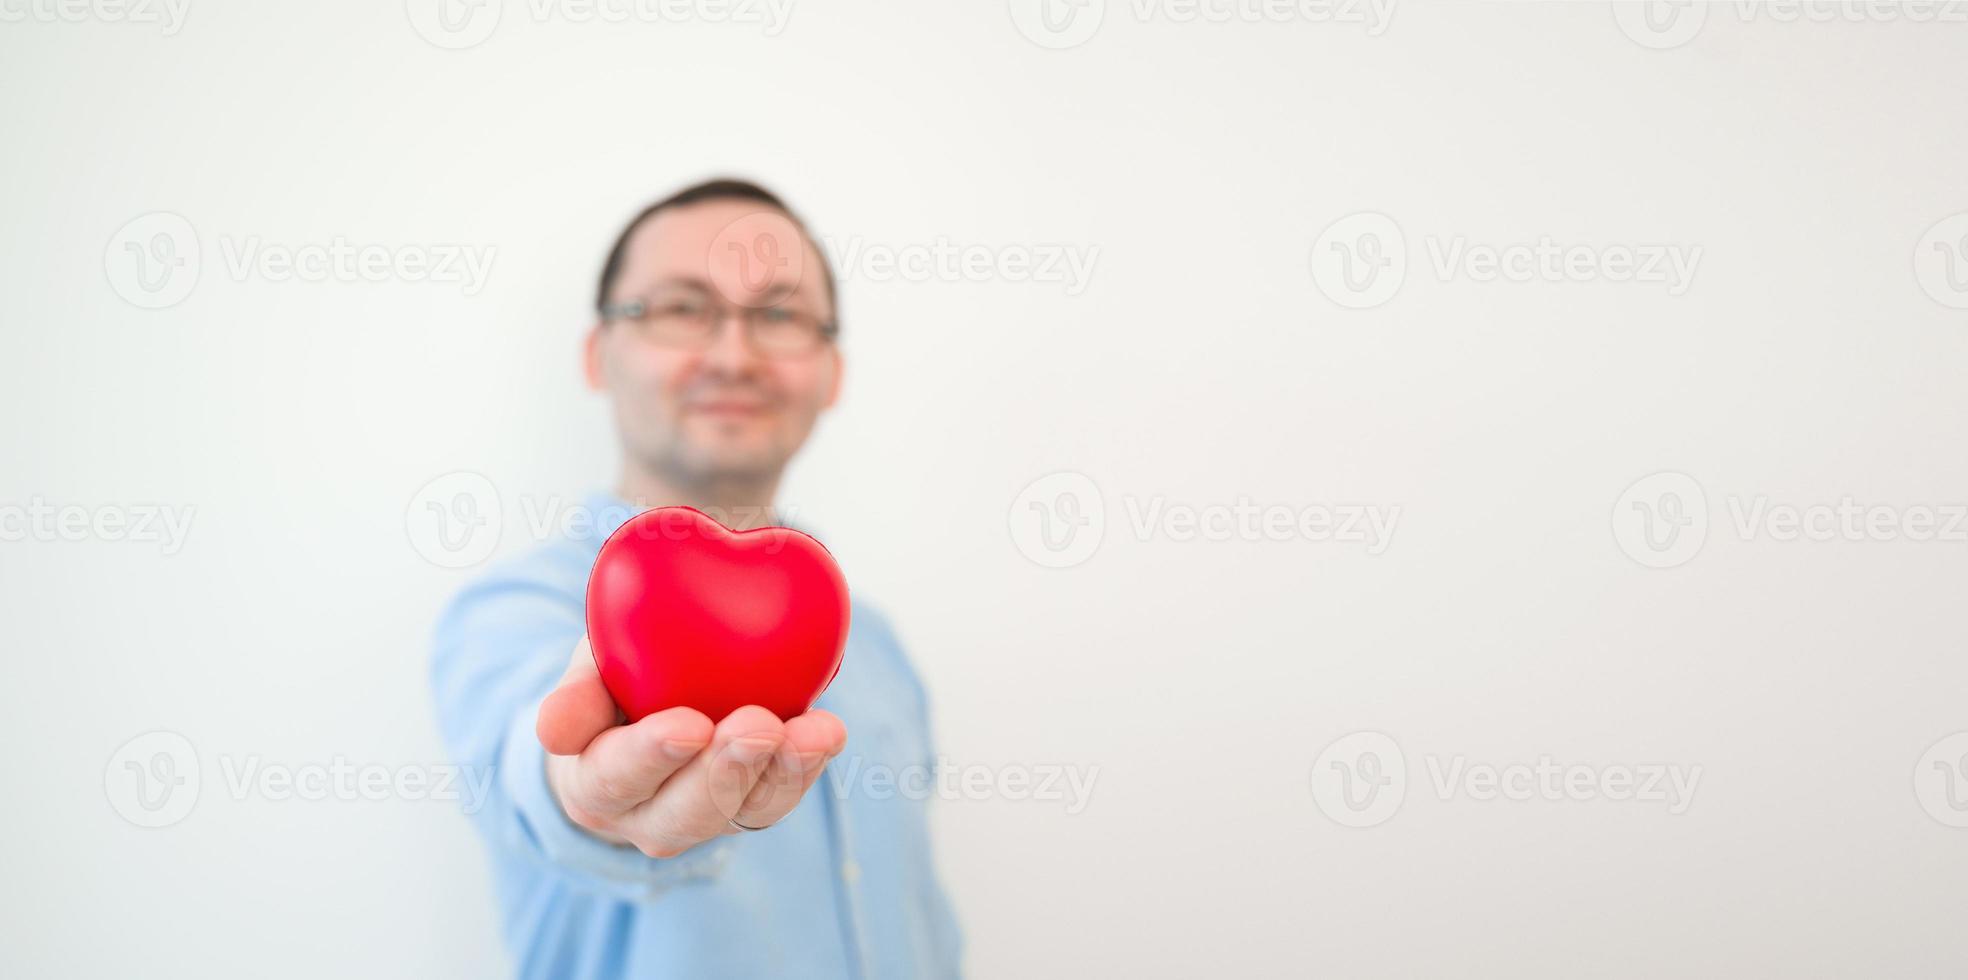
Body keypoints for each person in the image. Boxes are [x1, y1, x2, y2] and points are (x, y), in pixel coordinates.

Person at [430, 179, 962, 979]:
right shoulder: (514, 614)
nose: (733, 355)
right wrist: (587, 796)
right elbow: (531, 775)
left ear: (831, 371)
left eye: (779, 316)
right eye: (682, 308)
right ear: (596, 354)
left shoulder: (876, 644)